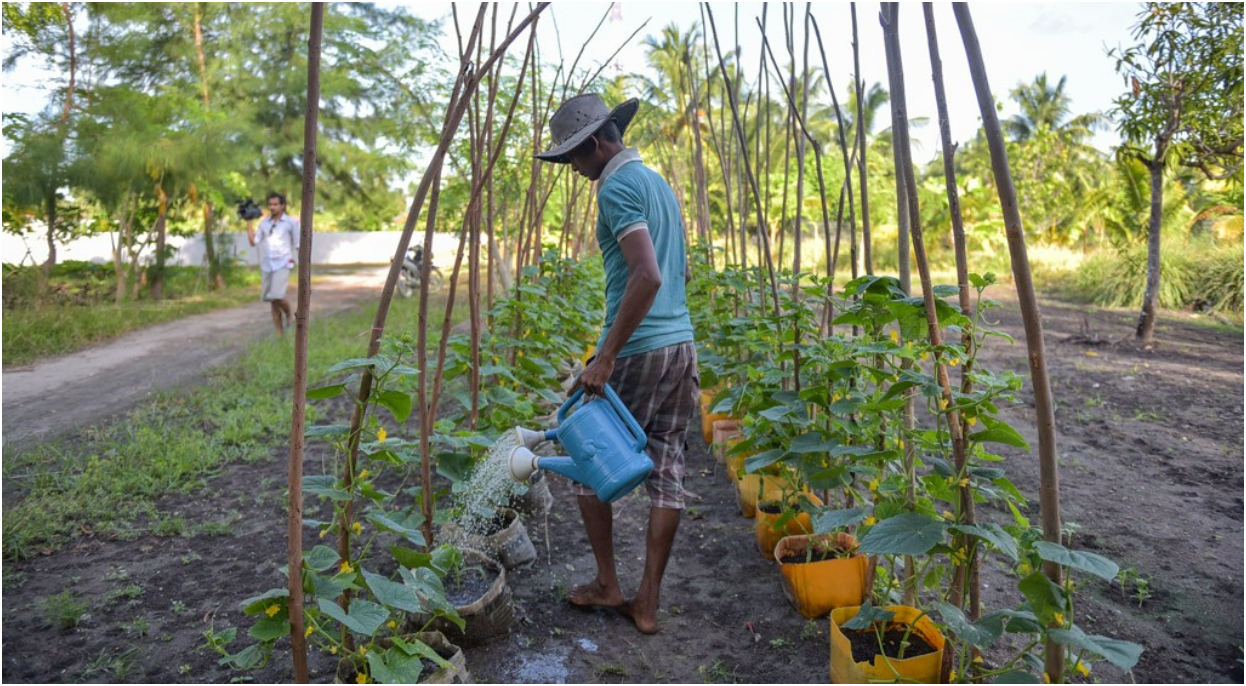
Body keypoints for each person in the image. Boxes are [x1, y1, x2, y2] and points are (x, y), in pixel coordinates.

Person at [534, 93, 698, 635]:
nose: (575, 170)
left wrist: (605, 357)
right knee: (668, 467)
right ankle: (646, 603)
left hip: (638, 347)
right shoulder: (658, 185)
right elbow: (679, 273)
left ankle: (609, 583)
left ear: (597, 144)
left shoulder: (617, 187)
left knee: (585, 454)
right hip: (680, 344)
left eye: (575, 158)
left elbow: (647, 275)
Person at [247, 192, 299, 335]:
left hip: (283, 262)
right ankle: (279, 333)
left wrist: (301, 264)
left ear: (282, 206)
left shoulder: (290, 223)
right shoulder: (264, 224)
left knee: (277, 295)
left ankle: (289, 313)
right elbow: (253, 242)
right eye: (270, 204)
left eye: (276, 204)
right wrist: (248, 221)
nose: (272, 207)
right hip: (267, 264)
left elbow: (297, 244)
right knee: (271, 300)